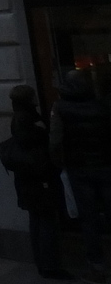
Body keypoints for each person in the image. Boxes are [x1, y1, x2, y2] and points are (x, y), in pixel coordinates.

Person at [0, 84, 68, 279]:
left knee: (37, 219)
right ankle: (50, 265)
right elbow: (39, 145)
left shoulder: (19, 117)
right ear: (29, 99)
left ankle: (42, 262)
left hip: (27, 178)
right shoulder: (30, 119)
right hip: (39, 177)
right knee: (46, 220)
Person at [51, 68, 111, 279]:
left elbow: (55, 141)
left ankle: (97, 265)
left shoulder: (61, 108)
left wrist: (61, 163)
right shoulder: (102, 105)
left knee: (89, 218)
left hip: (79, 168)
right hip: (105, 165)